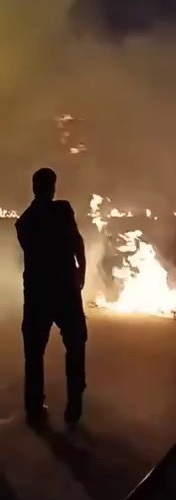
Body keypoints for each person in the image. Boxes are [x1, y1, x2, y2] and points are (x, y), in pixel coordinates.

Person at [15, 168, 87, 425]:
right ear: (53, 187)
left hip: (37, 295)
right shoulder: (63, 210)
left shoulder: (23, 222)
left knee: (34, 354)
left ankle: (34, 409)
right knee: (76, 346)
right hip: (64, 291)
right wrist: (81, 272)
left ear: (34, 188)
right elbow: (77, 242)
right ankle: (74, 407)